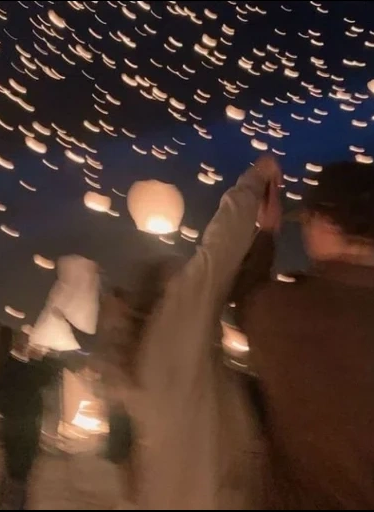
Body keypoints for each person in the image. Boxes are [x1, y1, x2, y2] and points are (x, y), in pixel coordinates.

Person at [238, 161, 374, 509]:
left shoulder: (285, 311)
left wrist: (266, 231)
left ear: (325, 221)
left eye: (306, 220)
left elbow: (244, 299)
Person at [135, 155, 281, 509]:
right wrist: (256, 179)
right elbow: (216, 259)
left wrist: (266, 237)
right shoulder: (175, 327)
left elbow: (230, 285)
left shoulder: (179, 360)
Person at [0, 325, 55, 510]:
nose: (26, 343)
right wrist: (40, 358)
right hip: (22, 430)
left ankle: (3, 504)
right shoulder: (20, 368)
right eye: (24, 340)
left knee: (11, 474)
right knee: (18, 476)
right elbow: (45, 378)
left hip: (15, 428)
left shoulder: (8, 366)